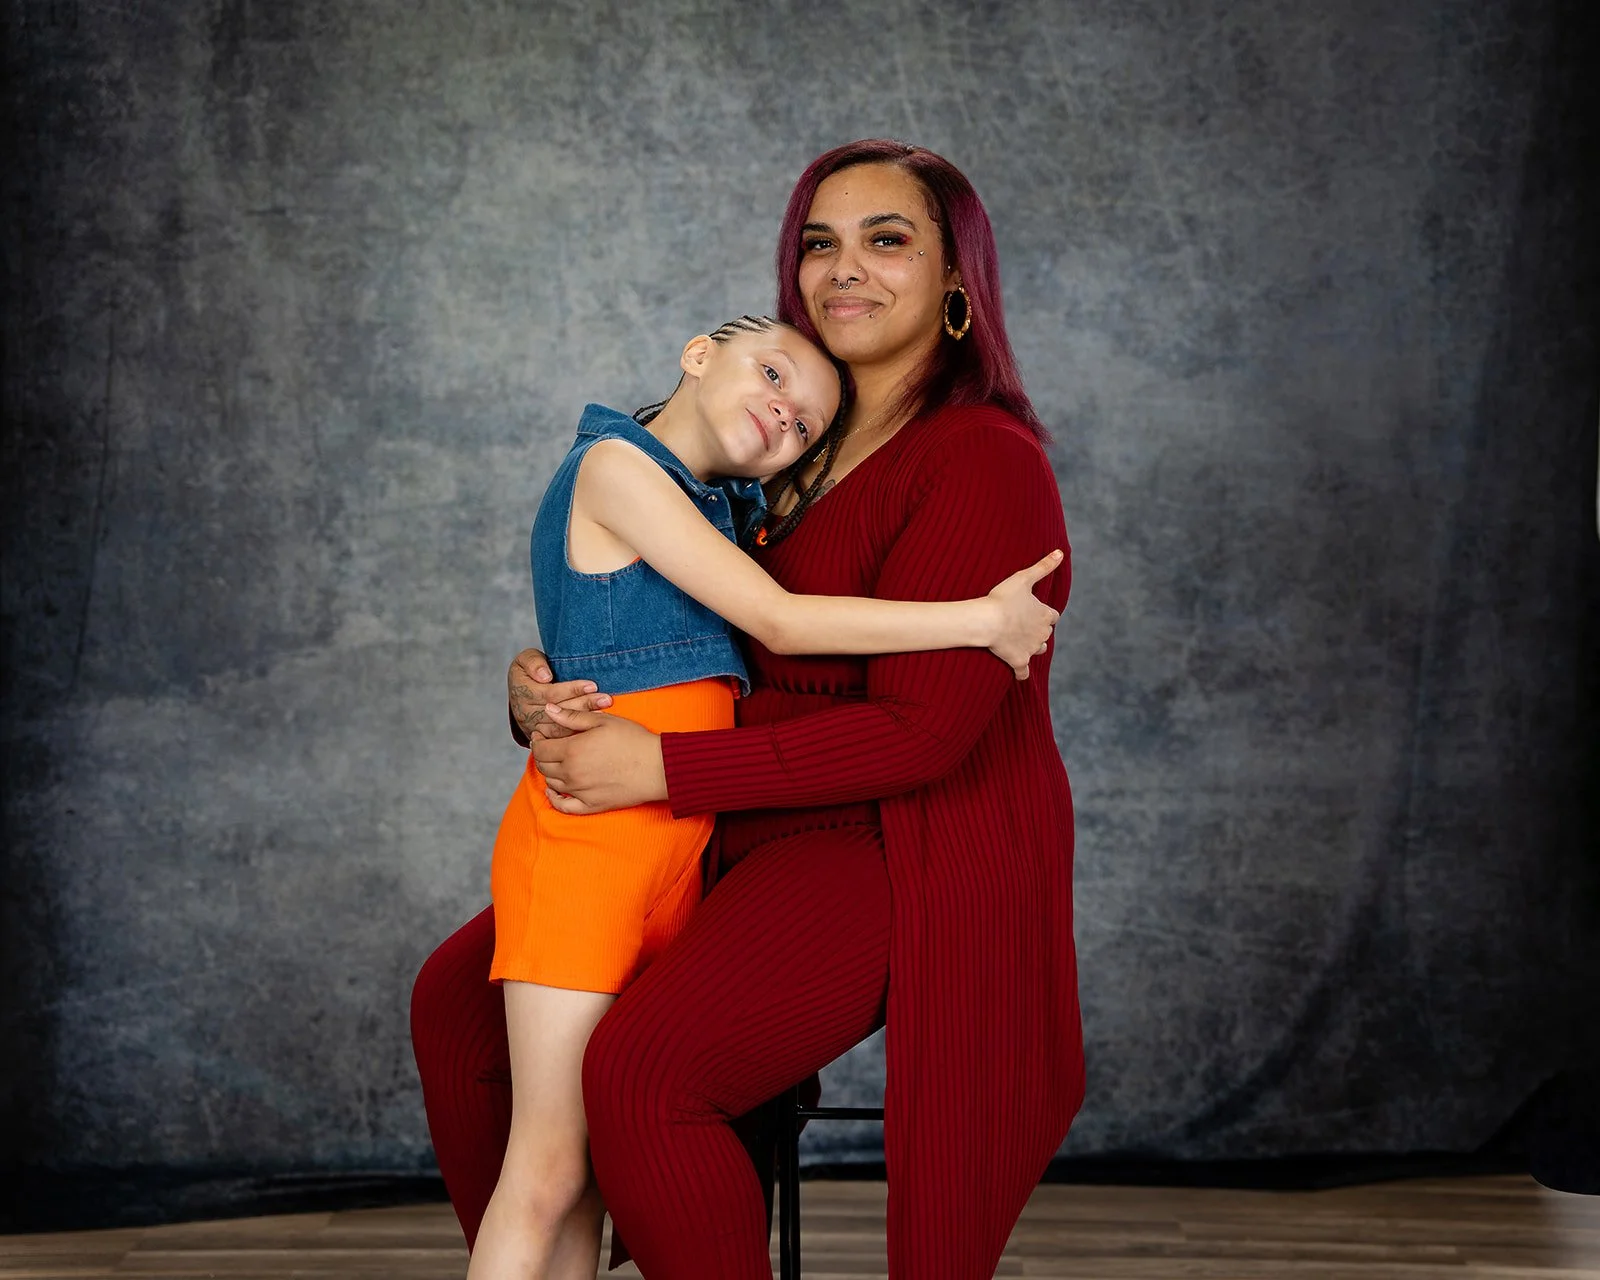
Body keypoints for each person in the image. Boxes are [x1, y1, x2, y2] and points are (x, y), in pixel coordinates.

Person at [412, 138, 1084, 1279]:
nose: (843, 268)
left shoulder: (980, 459)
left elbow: (922, 735)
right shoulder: (769, 460)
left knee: (644, 1069)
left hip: (895, 844)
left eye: (887, 240)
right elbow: (666, 628)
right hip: (737, 826)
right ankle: (559, 1233)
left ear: (958, 285)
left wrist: (661, 773)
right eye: (819, 243)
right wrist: (547, 689)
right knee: (459, 1010)